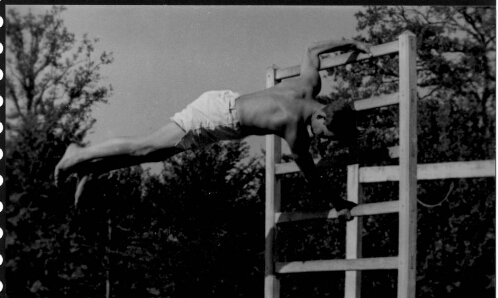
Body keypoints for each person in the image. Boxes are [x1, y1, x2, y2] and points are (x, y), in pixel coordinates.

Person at [55, 38, 373, 220]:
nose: (322, 140)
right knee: (145, 147)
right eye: (326, 135)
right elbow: (310, 173)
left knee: (153, 155)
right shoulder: (294, 127)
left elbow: (313, 51)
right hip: (215, 119)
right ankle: (78, 153)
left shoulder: (309, 85)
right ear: (321, 119)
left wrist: (351, 42)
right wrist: (337, 201)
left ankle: (94, 168)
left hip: (222, 106)